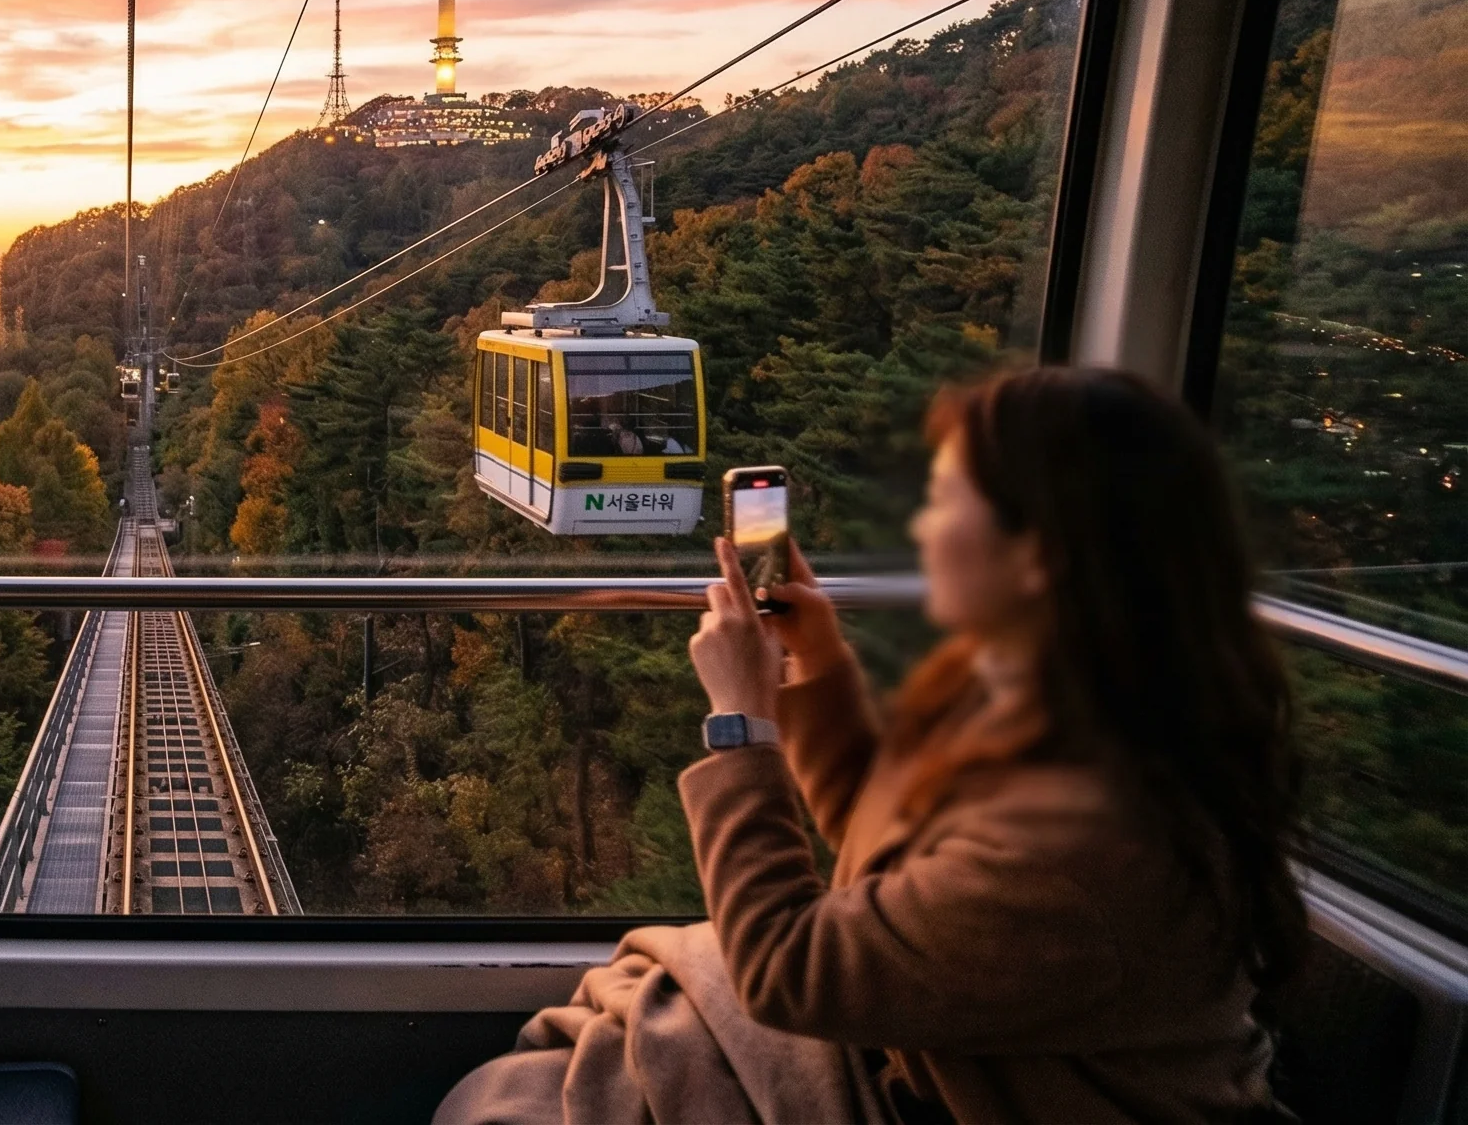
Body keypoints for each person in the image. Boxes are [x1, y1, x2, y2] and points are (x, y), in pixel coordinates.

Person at [437, 366, 1303, 1124]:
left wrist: (743, 726)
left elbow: (789, 971)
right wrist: (814, 665)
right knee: (547, 1076)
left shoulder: (1087, 843)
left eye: (946, 499)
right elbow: (896, 878)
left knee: (513, 1101)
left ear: (1039, 555)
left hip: (957, 1095)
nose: (922, 531)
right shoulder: (1079, 724)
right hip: (946, 1070)